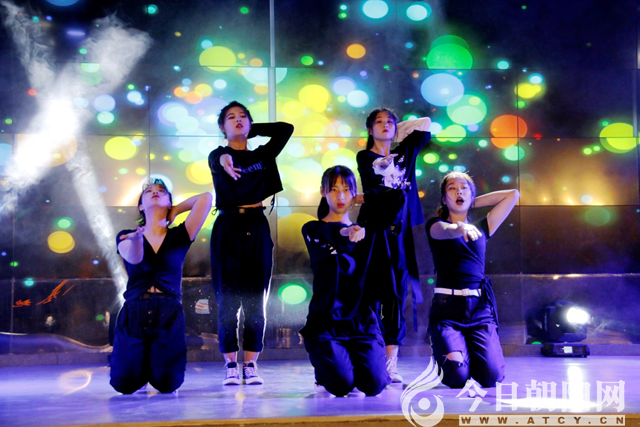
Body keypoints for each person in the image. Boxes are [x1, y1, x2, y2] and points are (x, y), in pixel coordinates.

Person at [208, 101, 294, 385]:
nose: (238, 120)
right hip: (228, 226)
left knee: (257, 300)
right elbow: (219, 159)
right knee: (227, 300)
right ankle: (230, 364)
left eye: (243, 116)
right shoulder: (218, 155)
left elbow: (285, 129)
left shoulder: (262, 155)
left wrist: (250, 130)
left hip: (257, 225)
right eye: (231, 118)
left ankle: (251, 364)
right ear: (222, 127)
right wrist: (226, 158)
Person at [111, 179, 212, 394]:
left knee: (167, 384)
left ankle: (155, 370)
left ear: (169, 202)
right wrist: (137, 240)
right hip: (135, 309)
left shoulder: (181, 234)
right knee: (124, 384)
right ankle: (138, 371)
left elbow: (206, 198)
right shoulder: (127, 235)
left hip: (168, 310)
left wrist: (175, 210)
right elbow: (134, 258)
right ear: (141, 206)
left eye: (161, 191)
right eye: (149, 191)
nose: (155, 192)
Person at [300, 166, 390, 397]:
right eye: (334, 190)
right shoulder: (313, 229)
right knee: (341, 385)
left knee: (374, 385)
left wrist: (363, 204)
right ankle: (326, 369)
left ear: (355, 194)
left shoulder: (366, 233)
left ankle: (352, 363)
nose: (340, 196)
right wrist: (347, 231)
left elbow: (394, 204)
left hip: (362, 320)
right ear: (323, 192)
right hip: (326, 319)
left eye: (346, 190)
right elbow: (333, 233)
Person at [356, 108, 430, 383]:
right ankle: (370, 355)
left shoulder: (404, 154)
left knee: (396, 296)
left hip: (398, 235)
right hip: (373, 232)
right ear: (369, 129)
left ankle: (391, 362)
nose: (385, 125)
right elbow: (378, 192)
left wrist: (398, 131)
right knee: (370, 294)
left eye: (390, 122)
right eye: (379, 122)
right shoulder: (365, 157)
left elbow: (425, 125)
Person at [425, 171, 519, 388]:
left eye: (464, 188)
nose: (459, 191)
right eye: (452, 188)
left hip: (479, 310)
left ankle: (470, 354)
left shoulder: (483, 228)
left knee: (491, 377)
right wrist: (460, 225)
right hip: (447, 310)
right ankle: (449, 350)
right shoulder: (436, 225)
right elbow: (449, 232)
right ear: (443, 198)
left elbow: (513, 194)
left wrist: (470, 202)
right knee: (456, 377)